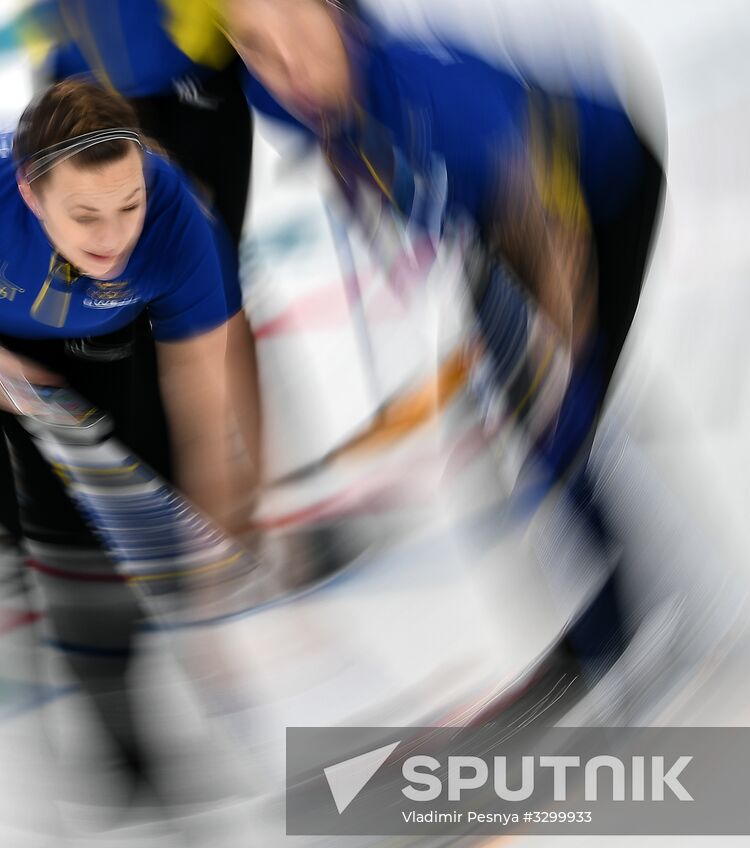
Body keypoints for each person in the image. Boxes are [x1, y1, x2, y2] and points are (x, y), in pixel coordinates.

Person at [0, 78, 260, 808]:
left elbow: (202, 390)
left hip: (69, 333)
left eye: (128, 206)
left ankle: (125, 723)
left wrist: (210, 532)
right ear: (32, 196)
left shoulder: (178, 225)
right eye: (85, 214)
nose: (113, 236)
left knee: (129, 503)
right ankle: (102, 756)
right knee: (24, 530)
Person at [223, 0, 667, 671]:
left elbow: (552, 236)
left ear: (337, 14)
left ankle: (624, 632)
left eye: (295, 26)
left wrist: (561, 364)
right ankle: (594, 619)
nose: (287, 64)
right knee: (528, 424)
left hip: (597, 188)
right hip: (486, 209)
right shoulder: (273, 93)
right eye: (257, 46)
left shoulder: (439, 95)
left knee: (557, 421)